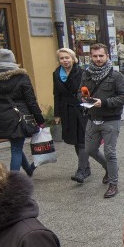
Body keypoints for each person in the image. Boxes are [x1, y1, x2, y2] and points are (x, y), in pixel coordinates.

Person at [0, 49, 45, 176]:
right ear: (13, 60)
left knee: (16, 145)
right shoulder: (22, 77)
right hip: (19, 116)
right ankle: (13, 180)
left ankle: (28, 170)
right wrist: (40, 119)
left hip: (2, 116)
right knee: (16, 148)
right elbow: (31, 101)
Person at [80, 43, 124, 198]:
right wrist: (83, 99)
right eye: (95, 56)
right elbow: (79, 92)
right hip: (92, 118)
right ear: (91, 57)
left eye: (101, 56)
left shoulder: (115, 76)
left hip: (111, 120)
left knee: (110, 153)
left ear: (107, 56)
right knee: (89, 150)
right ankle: (108, 170)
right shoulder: (86, 74)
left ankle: (113, 183)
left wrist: (104, 103)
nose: (98, 59)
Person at [52, 47, 90, 183]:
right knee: (75, 140)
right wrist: (57, 114)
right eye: (62, 58)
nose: (65, 60)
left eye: (67, 57)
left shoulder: (82, 72)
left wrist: (88, 104)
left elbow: (87, 91)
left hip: (81, 109)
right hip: (67, 110)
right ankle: (86, 167)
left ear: (73, 58)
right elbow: (56, 95)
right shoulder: (56, 74)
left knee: (82, 141)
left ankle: (81, 170)